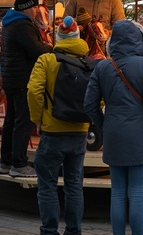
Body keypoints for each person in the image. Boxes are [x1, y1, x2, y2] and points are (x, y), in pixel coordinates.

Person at [85, 20, 143, 235]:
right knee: (137, 193)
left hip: (113, 134)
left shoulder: (103, 66)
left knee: (117, 193)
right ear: (139, 40)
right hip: (141, 134)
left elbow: (89, 104)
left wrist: (103, 126)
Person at [28, 17, 91, 235]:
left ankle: (49, 230)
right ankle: (74, 230)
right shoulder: (88, 62)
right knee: (74, 184)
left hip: (53, 131)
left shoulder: (46, 60)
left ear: (59, 37)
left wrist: (37, 119)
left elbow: (33, 91)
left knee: (47, 184)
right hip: (79, 131)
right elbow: (97, 98)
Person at [0, 0, 53, 178]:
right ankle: (19, 163)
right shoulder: (23, 26)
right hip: (23, 79)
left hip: (11, 79)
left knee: (11, 120)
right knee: (25, 121)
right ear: (28, 7)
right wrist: (51, 48)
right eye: (35, 6)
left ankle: (6, 161)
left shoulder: (9, 24)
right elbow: (36, 50)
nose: (37, 10)